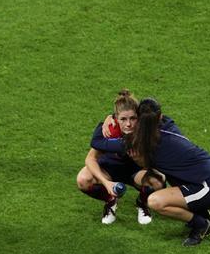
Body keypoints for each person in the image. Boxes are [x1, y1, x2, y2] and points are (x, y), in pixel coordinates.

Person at [92, 98, 210, 246]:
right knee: (170, 177)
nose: (129, 123)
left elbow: (97, 142)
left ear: (139, 120)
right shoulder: (168, 124)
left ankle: (201, 224)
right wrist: (111, 117)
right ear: (160, 116)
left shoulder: (139, 142)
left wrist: (108, 120)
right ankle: (201, 211)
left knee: (156, 201)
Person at [76, 89, 178, 225]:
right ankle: (110, 200)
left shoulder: (144, 129)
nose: (128, 124)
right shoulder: (110, 129)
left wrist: (139, 160)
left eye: (133, 118)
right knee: (83, 180)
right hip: (110, 169)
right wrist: (106, 184)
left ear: (139, 116)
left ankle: (142, 204)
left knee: (158, 181)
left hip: (136, 171)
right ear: (116, 118)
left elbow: (155, 161)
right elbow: (90, 159)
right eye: (123, 119)